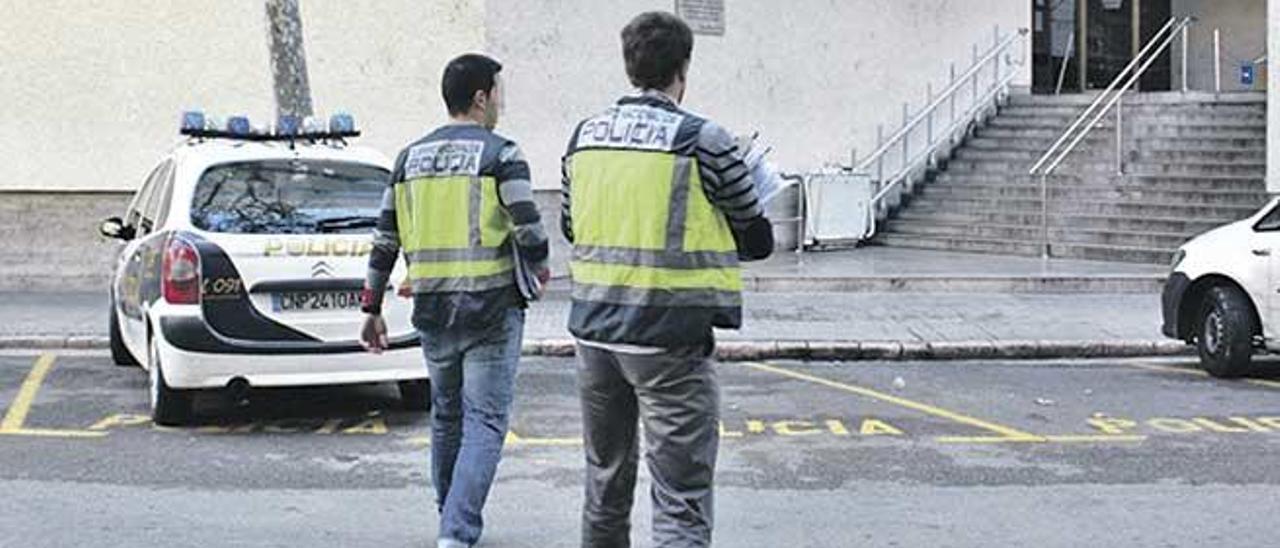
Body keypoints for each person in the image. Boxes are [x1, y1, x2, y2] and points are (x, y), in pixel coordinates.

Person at [560, 11, 774, 547]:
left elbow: (569, 222)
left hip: (593, 331)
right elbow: (756, 237)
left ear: (629, 65)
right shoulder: (702, 138)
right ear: (683, 68)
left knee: (604, 485)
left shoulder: (584, 137)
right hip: (668, 338)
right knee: (680, 499)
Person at [359, 53, 549, 548]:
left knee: (446, 415)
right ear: (481, 97)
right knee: (485, 420)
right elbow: (529, 227)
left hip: (433, 310)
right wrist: (541, 262)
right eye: (499, 94)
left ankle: (450, 518)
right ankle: (457, 532)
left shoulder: (407, 160)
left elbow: (385, 240)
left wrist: (371, 307)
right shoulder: (502, 154)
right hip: (490, 308)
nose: (501, 104)